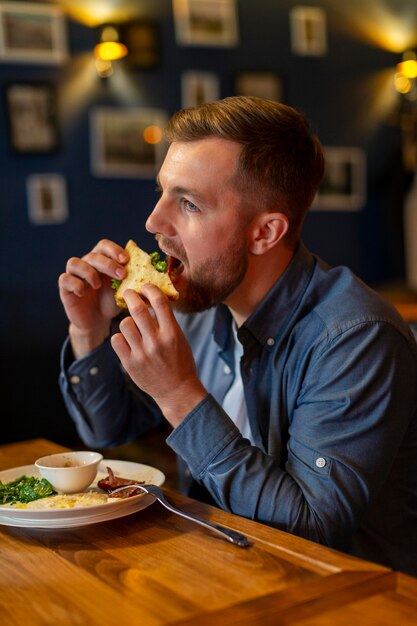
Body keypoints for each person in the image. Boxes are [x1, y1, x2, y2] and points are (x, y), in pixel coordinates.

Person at [58, 96, 417, 576]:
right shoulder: (201, 306)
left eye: (188, 203)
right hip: (220, 569)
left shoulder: (355, 338)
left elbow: (311, 530)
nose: (153, 223)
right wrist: (89, 329)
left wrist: (180, 395)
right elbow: (107, 430)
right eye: (162, 192)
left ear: (265, 233)